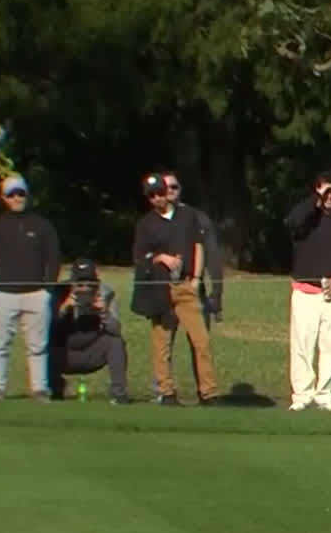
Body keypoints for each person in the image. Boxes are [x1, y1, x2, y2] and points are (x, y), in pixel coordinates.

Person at [130, 172, 220, 405]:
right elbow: (140, 257)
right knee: (162, 344)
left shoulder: (188, 216)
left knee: (201, 341)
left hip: (186, 286)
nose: (157, 198)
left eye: (160, 193)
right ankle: (166, 391)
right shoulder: (146, 224)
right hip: (161, 288)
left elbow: (198, 246)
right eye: (152, 196)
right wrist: (161, 257)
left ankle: (208, 392)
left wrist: (196, 278)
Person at [0, 174, 61, 400]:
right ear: (4, 197)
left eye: (20, 193)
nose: (16, 198)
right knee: (0, 344)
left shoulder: (42, 226)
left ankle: (39, 388)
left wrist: (48, 290)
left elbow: (54, 258)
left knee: (37, 346)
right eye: (11, 194)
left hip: (36, 295)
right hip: (3, 295)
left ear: (26, 194)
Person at [283, 172, 331, 412]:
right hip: (306, 292)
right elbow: (292, 223)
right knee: (302, 345)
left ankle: (325, 394)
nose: (330, 197)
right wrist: (315, 198)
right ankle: (302, 395)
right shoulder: (306, 218)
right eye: (326, 192)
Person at [47, 260, 130, 403]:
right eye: (80, 284)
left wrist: (104, 313)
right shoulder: (58, 291)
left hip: (92, 351)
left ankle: (119, 394)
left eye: (90, 284)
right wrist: (63, 309)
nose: (85, 288)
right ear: (72, 282)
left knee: (116, 342)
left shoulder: (106, 293)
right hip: (65, 352)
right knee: (41, 344)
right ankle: (55, 389)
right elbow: (46, 330)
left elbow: (116, 330)